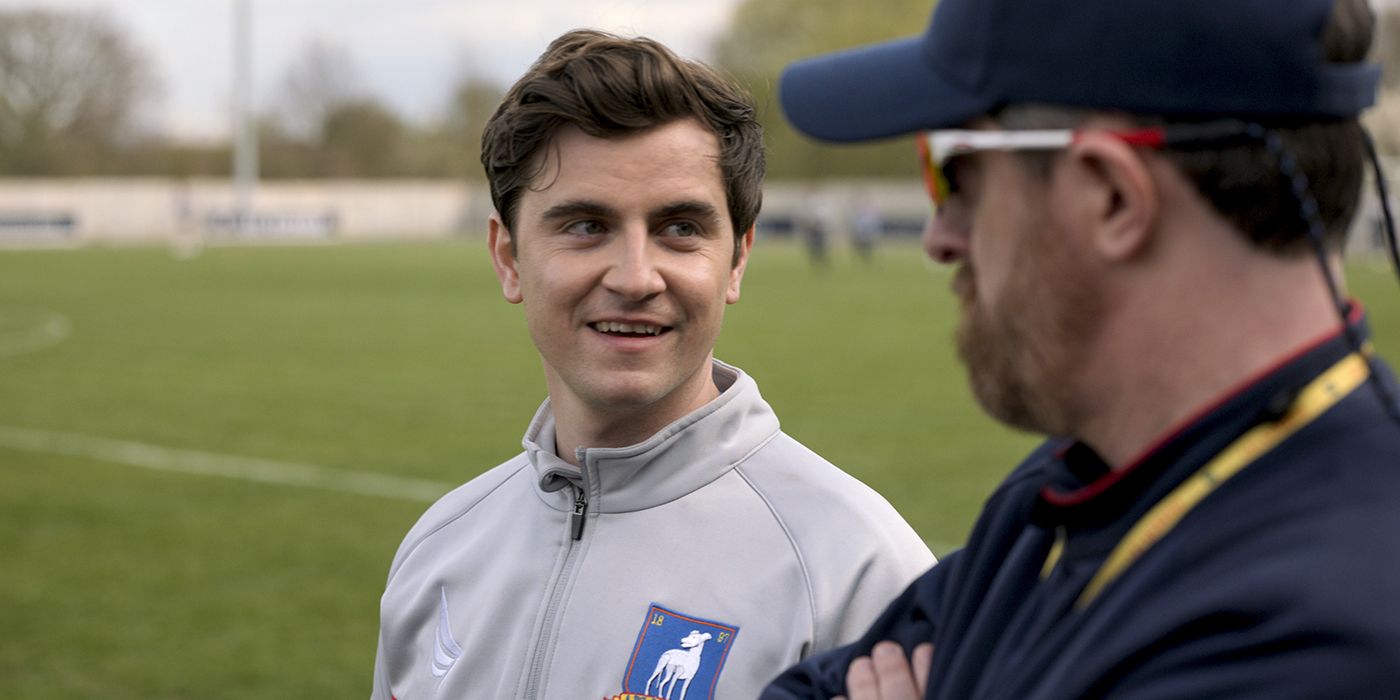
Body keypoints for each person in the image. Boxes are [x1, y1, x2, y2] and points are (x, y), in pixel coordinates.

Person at [765, 0, 1400, 698]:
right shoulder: (1076, 481)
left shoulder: (1322, 631)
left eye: (952, 171)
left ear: (1111, 197)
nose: (939, 237)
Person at [369, 30, 934, 700]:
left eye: (680, 228)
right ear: (508, 257)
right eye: (585, 226)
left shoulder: (856, 572)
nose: (636, 277)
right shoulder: (437, 551)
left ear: (738, 259)